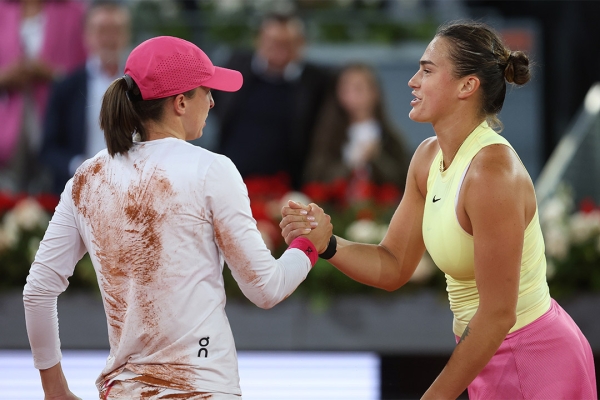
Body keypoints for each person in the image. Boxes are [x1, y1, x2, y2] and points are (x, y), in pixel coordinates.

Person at [282, 21, 597, 399]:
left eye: (427, 70)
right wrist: (328, 244)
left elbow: (498, 315)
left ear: (467, 86)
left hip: (534, 359)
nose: (412, 81)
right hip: (489, 355)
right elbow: (393, 264)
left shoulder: (492, 173)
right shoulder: (427, 157)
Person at [23, 36, 332, 399]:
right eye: (206, 91)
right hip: (203, 386)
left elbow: (37, 291)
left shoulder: (88, 177)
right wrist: (309, 246)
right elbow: (266, 289)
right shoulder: (211, 169)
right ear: (181, 102)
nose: (213, 102)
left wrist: (55, 390)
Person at [212, 12, 333, 190]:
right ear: (258, 40)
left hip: (287, 186)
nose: (279, 48)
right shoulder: (236, 67)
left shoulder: (316, 82)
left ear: (301, 44)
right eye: (273, 41)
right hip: (231, 179)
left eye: (287, 43)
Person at [40, 0, 131, 195]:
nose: (109, 38)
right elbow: (49, 147)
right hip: (80, 189)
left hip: (129, 187)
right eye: (101, 30)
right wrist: (77, 166)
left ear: (126, 34)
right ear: (86, 35)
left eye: (116, 30)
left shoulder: (139, 86)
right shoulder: (67, 87)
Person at [0, 0, 87, 192]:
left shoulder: (74, 12)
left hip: (55, 120)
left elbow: (86, 72)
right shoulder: (3, 11)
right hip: (9, 122)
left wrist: (52, 74)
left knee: (51, 188)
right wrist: (6, 77)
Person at [305, 62, 410, 192]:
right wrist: (351, 163)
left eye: (358, 88)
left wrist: (376, 158)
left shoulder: (391, 136)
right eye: (345, 89)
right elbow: (316, 177)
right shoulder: (329, 135)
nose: (351, 96)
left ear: (374, 92)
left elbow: (403, 179)